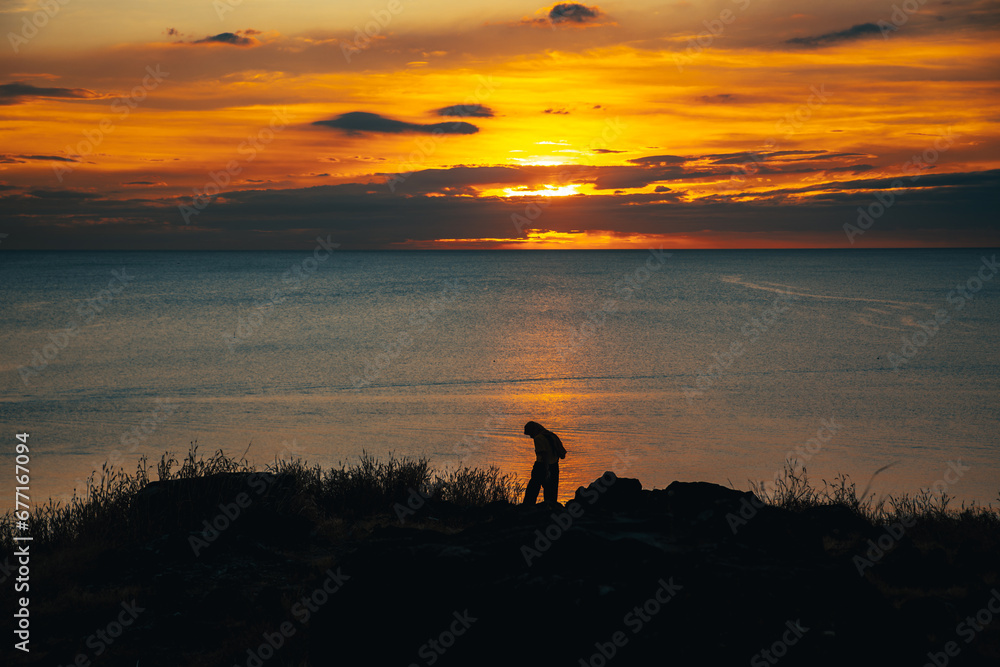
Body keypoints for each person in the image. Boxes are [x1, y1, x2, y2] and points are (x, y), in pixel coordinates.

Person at [522, 420, 560, 504]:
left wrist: (546, 470)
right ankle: (551, 508)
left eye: (530, 434)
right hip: (554, 465)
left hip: (542, 466)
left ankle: (527, 507)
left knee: (532, 489)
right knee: (551, 491)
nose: (530, 437)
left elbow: (544, 454)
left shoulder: (538, 438)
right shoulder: (550, 435)